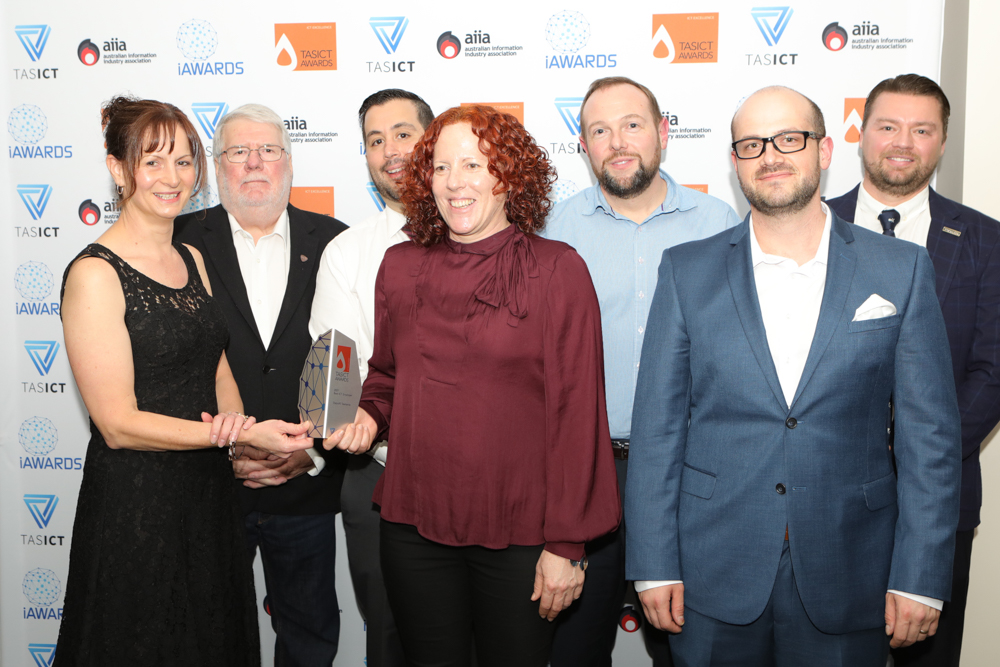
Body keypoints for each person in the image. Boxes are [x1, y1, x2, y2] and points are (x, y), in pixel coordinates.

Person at [625, 86, 961, 666]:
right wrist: (653, 564)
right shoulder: (686, 271)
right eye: (752, 144)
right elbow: (657, 431)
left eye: (789, 139)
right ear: (735, 162)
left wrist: (921, 576)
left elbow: (929, 439)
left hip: (852, 567)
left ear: (824, 151)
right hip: (712, 568)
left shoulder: (900, 269)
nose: (770, 156)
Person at [327, 104, 621, 667]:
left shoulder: (558, 270)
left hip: (521, 532)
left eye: (473, 165)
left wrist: (566, 545)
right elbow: (387, 375)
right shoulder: (399, 266)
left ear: (507, 174)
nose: (454, 182)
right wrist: (368, 415)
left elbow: (577, 413)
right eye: (440, 167)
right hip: (413, 525)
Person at [55, 96, 313, 666]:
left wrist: (244, 437)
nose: (172, 178)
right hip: (138, 503)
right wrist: (234, 436)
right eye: (152, 161)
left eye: (183, 161)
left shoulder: (192, 259)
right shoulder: (95, 273)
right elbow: (117, 424)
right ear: (118, 168)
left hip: (210, 497)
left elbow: (216, 368)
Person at [544, 75, 740, 667]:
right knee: (574, 651)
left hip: (690, 474)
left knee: (689, 650)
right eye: (600, 131)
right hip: (586, 470)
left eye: (632, 125)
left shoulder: (719, 223)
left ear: (663, 132)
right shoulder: (554, 230)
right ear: (583, 146)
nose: (618, 142)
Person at [826, 73, 1000, 667]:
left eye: (922, 130)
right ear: (861, 133)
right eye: (889, 126)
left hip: (938, 500)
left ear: (943, 141)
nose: (903, 142)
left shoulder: (986, 241)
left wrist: (918, 452)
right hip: (823, 495)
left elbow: (992, 370)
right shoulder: (810, 226)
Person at [175, 103, 348, 666]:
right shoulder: (178, 242)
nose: (254, 163)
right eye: (238, 152)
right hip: (207, 486)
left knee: (309, 636)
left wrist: (312, 454)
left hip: (306, 485)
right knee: (208, 637)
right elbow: (164, 368)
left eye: (268, 150)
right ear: (216, 166)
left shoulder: (336, 243)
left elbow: (352, 362)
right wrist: (226, 451)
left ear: (289, 162)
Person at [309, 88, 433, 667]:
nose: (390, 151)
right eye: (375, 140)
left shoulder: (489, 240)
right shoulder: (346, 252)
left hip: (486, 479)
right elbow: (337, 376)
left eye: (403, 133)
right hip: (377, 473)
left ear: (432, 139)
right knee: (387, 640)